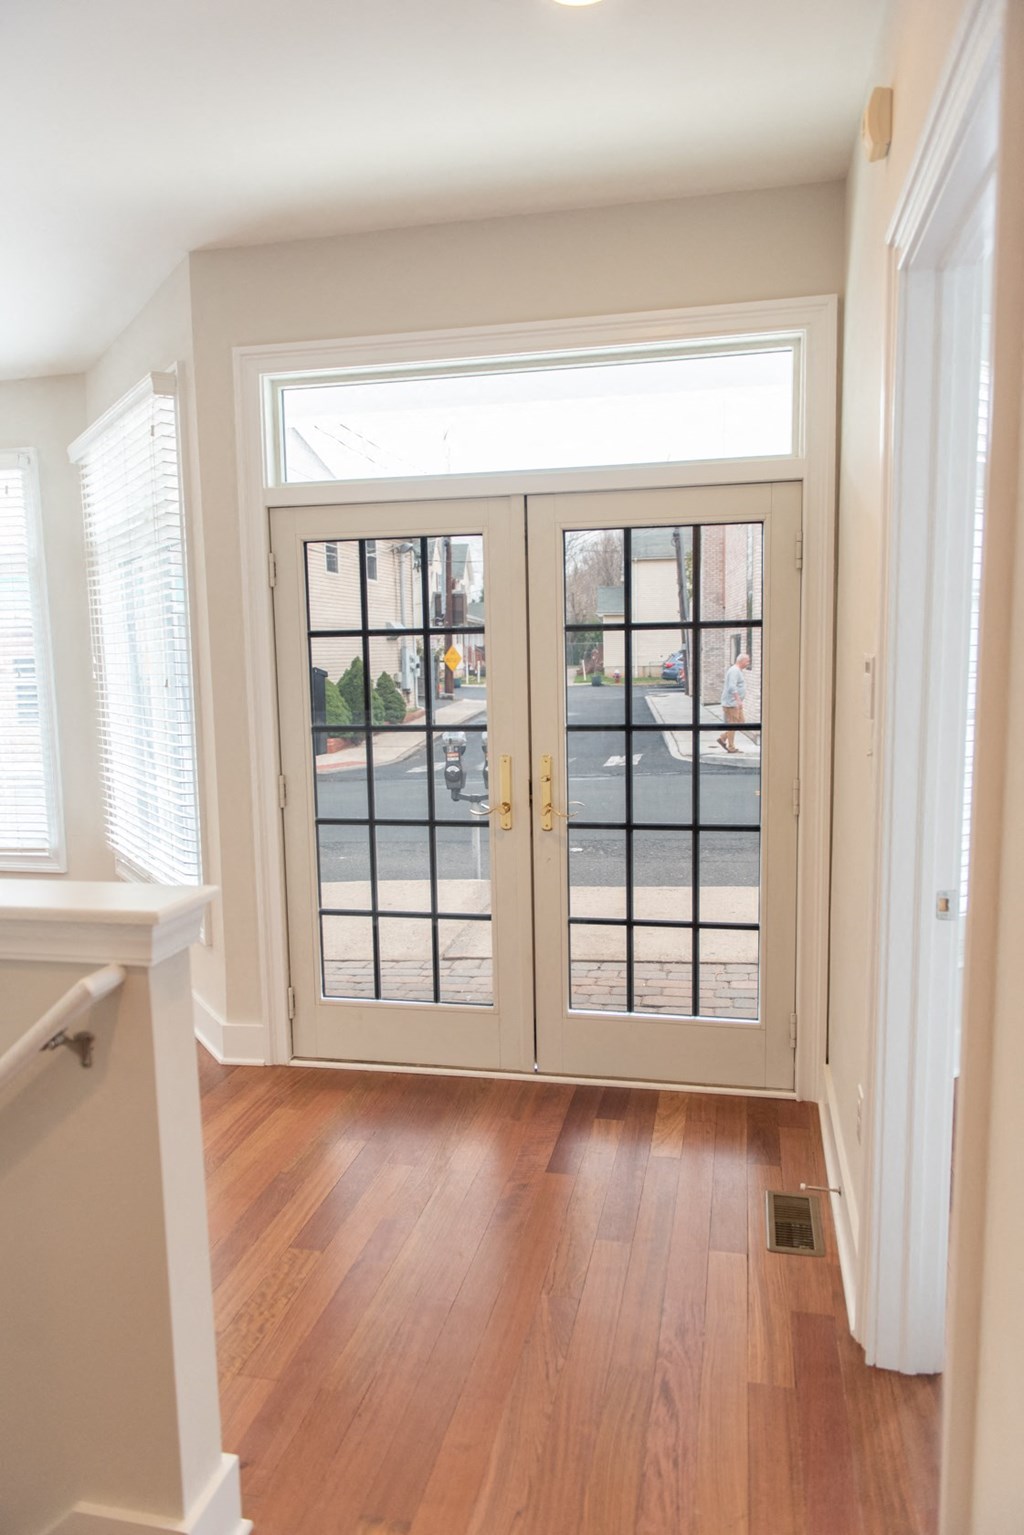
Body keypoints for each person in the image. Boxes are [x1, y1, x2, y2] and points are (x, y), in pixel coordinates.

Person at [717, 653, 750, 753]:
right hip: (731, 704)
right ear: (742, 661)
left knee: (741, 723)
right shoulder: (734, 671)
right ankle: (731, 747)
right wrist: (738, 700)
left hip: (735, 704)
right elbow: (732, 687)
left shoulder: (737, 671)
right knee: (733, 725)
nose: (748, 663)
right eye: (747, 661)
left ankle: (723, 738)